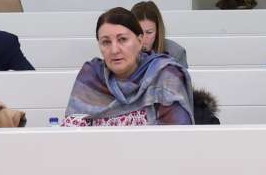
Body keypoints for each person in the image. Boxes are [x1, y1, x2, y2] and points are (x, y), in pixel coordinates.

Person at [63, 8, 193, 126]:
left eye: (123, 39)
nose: (114, 50)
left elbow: (176, 137)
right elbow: (71, 133)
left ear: (140, 41)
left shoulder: (165, 76)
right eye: (106, 42)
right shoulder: (91, 77)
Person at [130, 1, 189, 67]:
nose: (143, 38)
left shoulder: (176, 52)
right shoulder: (122, 50)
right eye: (138, 32)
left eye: (149, 32)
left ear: (158, 31)